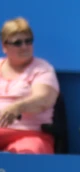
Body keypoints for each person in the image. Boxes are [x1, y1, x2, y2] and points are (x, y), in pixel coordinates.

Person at [0, 17, 59, 154]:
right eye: (18, 43)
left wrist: (17, 107)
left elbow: (43, 99)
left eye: (28, 41)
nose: (24, 46)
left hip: (30, 134)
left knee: (27, 152)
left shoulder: (43, 69)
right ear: (4, 46)